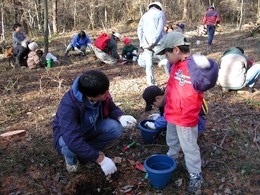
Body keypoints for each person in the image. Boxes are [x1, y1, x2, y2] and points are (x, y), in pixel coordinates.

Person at [156, 31, 218, 193]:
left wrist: (208, 65)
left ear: (176, 50)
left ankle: (195, 174)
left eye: (166, 53)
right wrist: (164, 101)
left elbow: (208, 79)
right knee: (172, 139)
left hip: (185, 116)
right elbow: (171, 87)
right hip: (172, 113)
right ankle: (173, 157)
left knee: (189, 146)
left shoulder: (194, 66)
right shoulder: (175, 64)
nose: (165, 57)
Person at [52, 70, 137, 175]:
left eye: (106, 91)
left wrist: (120, 116)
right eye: (102, 94)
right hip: (70, 135)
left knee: (115, 128)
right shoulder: (69, 106)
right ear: (89, 96)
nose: (106, 95)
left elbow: (110, 107)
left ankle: (86, 152)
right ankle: (71, 159)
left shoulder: (99, 90)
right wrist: (101, 159)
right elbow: (72, 139)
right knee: (69, 145)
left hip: (91, 127)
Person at [142, 86, 208, 133]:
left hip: (195, 126)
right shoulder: (167, 96)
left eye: (154, 104)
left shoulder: (172, 100)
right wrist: (160, 116)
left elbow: (170, 116)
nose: (155, 106)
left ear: (158, 98)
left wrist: (155, 125)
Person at [137, 2, 168, 85]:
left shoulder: (144, 16)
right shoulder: (161, 14)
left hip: (146, 45)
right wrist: (152, 42)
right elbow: (160, 30)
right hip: (158, 43)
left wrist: (143, 43)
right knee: (165, 62)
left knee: (149, 64)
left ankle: (151, 83)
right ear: (159, 7)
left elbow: (139, 30)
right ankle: (171, 80)